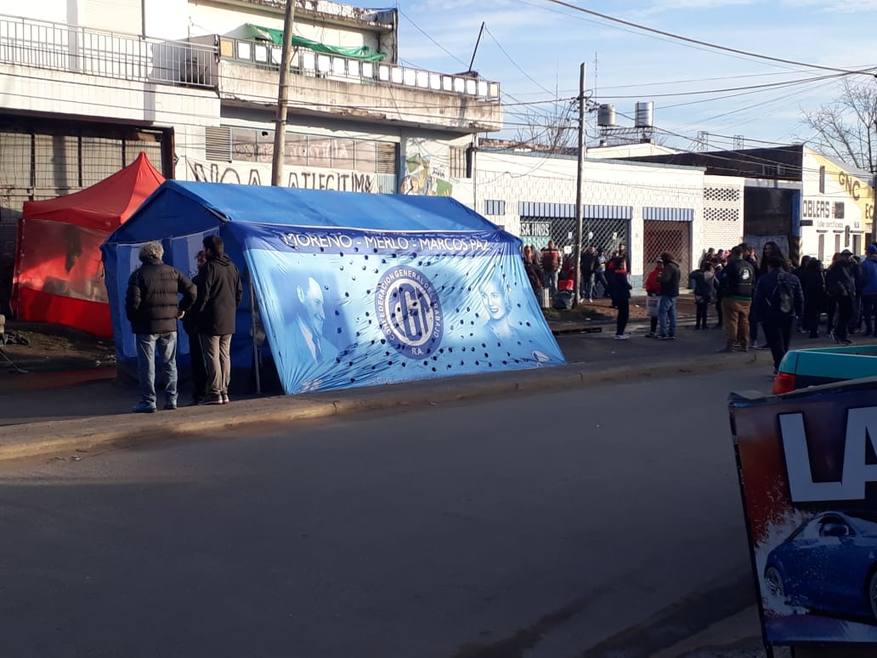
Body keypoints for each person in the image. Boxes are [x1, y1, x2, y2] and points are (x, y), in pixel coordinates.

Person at [125, 241, 196, 413]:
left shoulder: (137, 275)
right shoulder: (173, 272)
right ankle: (171, 399)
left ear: (143, 256)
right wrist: (182, 309)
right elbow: (192, 290)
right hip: (169, 325)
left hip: (146, 326)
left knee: (147, 365)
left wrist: (134, 319)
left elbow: (133, 303)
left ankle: (149, 401)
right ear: (160, 254)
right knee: (169, 363)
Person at [193, 235, 242, 405]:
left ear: (208, 250)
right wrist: (231, 308)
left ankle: (215, 393)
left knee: (212, 355)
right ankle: (225, 391)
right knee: (225, 355)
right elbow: (239, 293)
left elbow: (203, 295)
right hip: (229, 318)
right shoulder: (232, 267)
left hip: (211, 318)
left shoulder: (209, 268)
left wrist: (198, 313)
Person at [754, 254, 804, 374]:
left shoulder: (764, 279)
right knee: (785, 342)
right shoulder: (793, 278)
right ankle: (783, 365)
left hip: (770, 315)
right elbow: (800, 298)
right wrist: (799, 314)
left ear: (769, 266)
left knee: (775, 342)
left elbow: (758, 299)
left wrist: (758, 316)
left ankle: (780, 366)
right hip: (789, 314)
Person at [183, 250, 209, 405]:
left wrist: (186, 319)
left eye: (201, 261)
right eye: (198, 261)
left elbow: (191, 302)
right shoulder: (225, 275)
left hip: (199, 327)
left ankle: (201, 393)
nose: (199, 264)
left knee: (200, 361)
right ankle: (217, 391)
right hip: (214, 326)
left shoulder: (198, 281)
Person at [719, 245, 756, 352]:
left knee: (732, 321)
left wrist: (722, 293)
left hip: (732, 297)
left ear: (734, 254)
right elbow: (753, 282)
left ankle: (731, 344)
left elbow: (723, 280)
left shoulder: (731, 266)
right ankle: (745, 344)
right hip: (747, 297)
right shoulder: (749, 266)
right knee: (744, 321)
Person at [825, 250, 857, 345]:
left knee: (848, 313)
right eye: (846, 256)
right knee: (845, 313)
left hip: (849, 292)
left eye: (849, 256)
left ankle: (842, 334)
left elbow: (852, 278)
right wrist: (841, 289)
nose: (848, 258)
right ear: (842, 256)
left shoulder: (850, 266)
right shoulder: (837, 267)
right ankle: (839, 334)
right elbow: (834, 280)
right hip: (841, 294)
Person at [799, 257, 825, 338]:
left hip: (808, 296)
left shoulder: (806, 273)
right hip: (817, 297)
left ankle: (809, 328)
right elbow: (821, 286)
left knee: (810, 314)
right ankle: (814, 331)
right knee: (816, 315)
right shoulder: (819, 274)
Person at [657, 252, 680, 340]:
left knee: (662, 312)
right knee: (672, 313)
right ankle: (672, 333)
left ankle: (663, 333)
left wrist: (659, 278)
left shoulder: (669, 267)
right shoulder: (676, 267)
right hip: (674, 292)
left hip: (667, 292)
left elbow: (665, 279)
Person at [690, 262, 718, 330]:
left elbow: (691, 275)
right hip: (706, 294)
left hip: (698, 294)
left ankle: (697, 325)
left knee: (699, 309)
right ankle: (704, 325)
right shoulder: (711, 275)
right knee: (704, 310)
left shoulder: (698, 274)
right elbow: (716, 284)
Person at [611, 255, 632, 339]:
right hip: (623, 296)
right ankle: (620, 333)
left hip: (618, 295)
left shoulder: (614, 273)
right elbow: (625, 285)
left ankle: (619, 332)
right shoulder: (620, 274)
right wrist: (629, 286)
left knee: (621, 314)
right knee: (624, 314)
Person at [644, 259, 663, 338]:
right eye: (658, 263)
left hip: (662, 295)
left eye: (661, 263)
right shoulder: (653, 273)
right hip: (654, 295)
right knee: (654, 314)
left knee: (662, 314)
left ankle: (662, 331)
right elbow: (648, 283)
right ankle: (653, 331)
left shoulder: (665, 273)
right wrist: (649, 290)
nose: (659, 265)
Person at [861, 244, 877, 336]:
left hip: (867, 291)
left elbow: (862, 278)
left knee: (867, 312)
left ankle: (869, 330)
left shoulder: (865, 264)